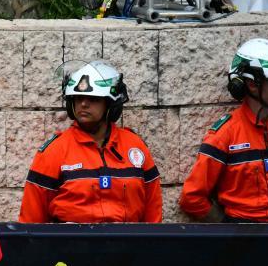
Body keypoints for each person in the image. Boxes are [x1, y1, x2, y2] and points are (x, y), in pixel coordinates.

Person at [179, 38, 268, 222]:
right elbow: (191, 198)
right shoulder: (225, 134)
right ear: (251, 84)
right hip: (239, 235)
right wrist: (228, 227)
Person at [19, 60, 162, 223]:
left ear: (110, 104)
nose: (83, 104)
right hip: (73, 239)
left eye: (93, 98)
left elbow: (153, 214)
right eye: (78, 98)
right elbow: (31, 222)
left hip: (128, 239)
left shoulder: (135, 146)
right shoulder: (54, 151)